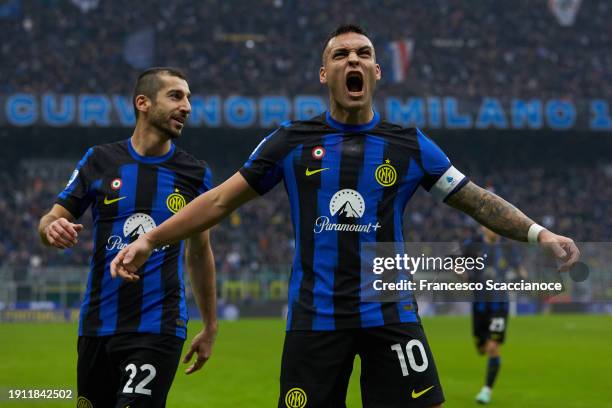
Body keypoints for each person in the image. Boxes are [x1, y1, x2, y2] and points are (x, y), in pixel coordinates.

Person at [110, 26, 579, 408]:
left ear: (376, 71)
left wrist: (540, 234)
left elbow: (476, 200)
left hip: (389, 313)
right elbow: (216, 202)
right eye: (340, 55)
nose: (352, 60)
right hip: (315, 319)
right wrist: (152, 239)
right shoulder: (290, 141)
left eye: (362, 54)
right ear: (323, 73)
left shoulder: (409, 144)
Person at [38, 67, 218, 408]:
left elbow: (199, 251)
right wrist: (50, 228)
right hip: (96, 325)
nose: (187, 106)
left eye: (189, 98)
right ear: (143, 103)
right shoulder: (100, 160)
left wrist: (210, 325)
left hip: (157, 325)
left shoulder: (194, 173)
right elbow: (51, 219)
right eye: (176, 96)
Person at [463, 225, 526, 404]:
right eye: (490, 226)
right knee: (482, 348)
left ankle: (486, 390)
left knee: (492, 347)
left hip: (499, 305)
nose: (494, 229)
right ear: (482, 227)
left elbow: (519, 267)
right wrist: (461, 272)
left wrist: (521, 275)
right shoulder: (472, 245)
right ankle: (484, 346)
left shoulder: (507, 247)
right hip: (480, 304)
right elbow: (457, 263)